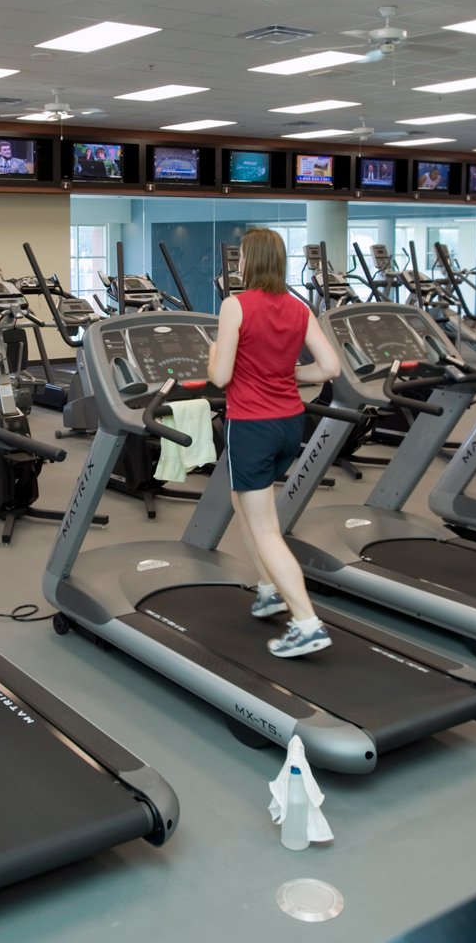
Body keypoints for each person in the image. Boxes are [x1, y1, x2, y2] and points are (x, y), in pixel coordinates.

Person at [206, 228, 343, 659]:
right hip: (289, 424)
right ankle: (269, 589)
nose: (238, 264)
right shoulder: (299, 308)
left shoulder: (235, 305)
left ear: (250, 262)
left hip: (251, 424)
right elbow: (330, 368)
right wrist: (286, 376)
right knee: (242, 498)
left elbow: (220, 376)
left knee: (265, 527)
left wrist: (212, 351)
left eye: (241, 257)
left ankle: (306, 622)